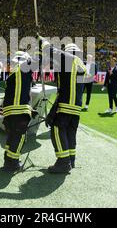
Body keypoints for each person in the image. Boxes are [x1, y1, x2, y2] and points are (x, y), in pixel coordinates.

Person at [39, 36, 87, 173]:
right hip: (76, 107)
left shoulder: (69, 59)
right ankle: (71, 160)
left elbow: (50, 50)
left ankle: (63, 162)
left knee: (57, 130)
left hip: (66, 104)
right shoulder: (81, 65)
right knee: (70, 133)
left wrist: (42, 41)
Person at [1, 51, 35, 172]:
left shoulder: (12, 74)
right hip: (19, 111)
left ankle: (8, 161)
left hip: (9, 112)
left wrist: (30, 108)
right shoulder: (24, 68)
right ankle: (13, 163)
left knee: (11, 136)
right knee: (19, 137)